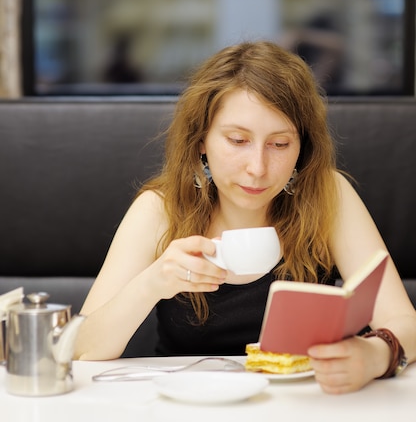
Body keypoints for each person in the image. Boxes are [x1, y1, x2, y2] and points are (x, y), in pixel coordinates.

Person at [74, 40, 416, 394]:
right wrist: (152, 283)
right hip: (189, 411)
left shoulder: (328, 194)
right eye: (238, 140)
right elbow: (81, 348)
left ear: (302, 148)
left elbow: (403, 321)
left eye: (279, 144)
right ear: (201, 140)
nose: (258, 168)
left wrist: (375, 355)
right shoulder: (160, 208)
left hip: (303, 409)